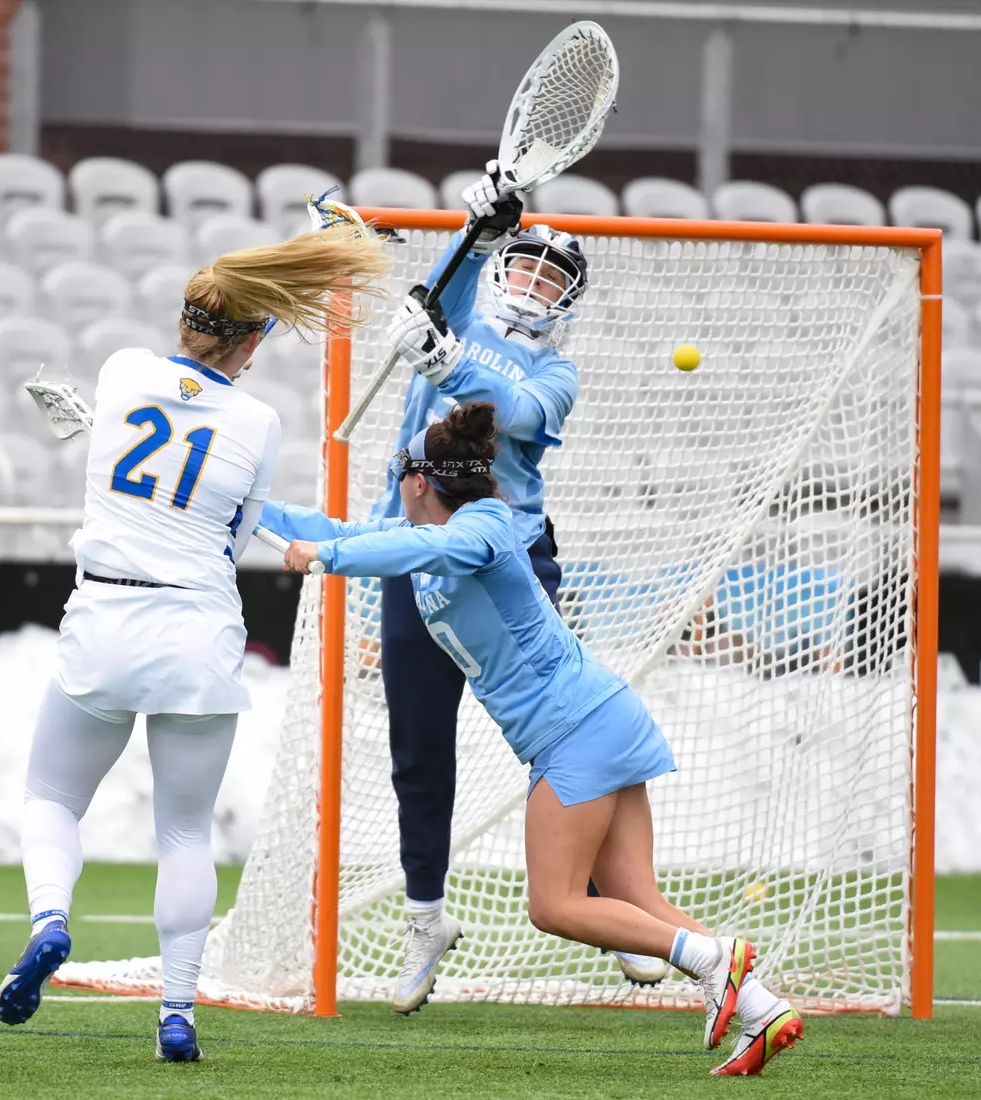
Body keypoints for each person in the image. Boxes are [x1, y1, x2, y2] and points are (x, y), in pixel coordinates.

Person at [262, 403, 804, 1077]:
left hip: (577, 731)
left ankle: (715, 959)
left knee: (554, 906)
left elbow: (421, 550)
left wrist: (329, 557)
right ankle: (761, 1008)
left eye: (398, 474)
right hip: (596, 721)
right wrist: (246, 509)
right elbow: (337, 531)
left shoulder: (487, 522)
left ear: (419, 482)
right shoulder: (417, 535)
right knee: (641, 901)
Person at [0, 224, 392, 1063]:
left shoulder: (122, 372)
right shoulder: (259, 420)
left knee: (51, 799)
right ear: (251, 340)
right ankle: (177, 1014)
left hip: (106, 617)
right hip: (197, 630)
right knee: (183, 832)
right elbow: (235, 535)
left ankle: (50, 919)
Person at [377, 162, 663, 1010]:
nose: (535, 283)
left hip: (511, 561)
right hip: (418, 553)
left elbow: (517, 415)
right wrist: (483, 227)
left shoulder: (557, 374)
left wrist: (447, 365)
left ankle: (617, 910)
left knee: (558, 736)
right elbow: (439, 298)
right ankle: (425, 920)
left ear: (569, 298)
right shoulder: (462, 315)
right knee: (418, 747)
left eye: (552, 275)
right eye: (525, 264)